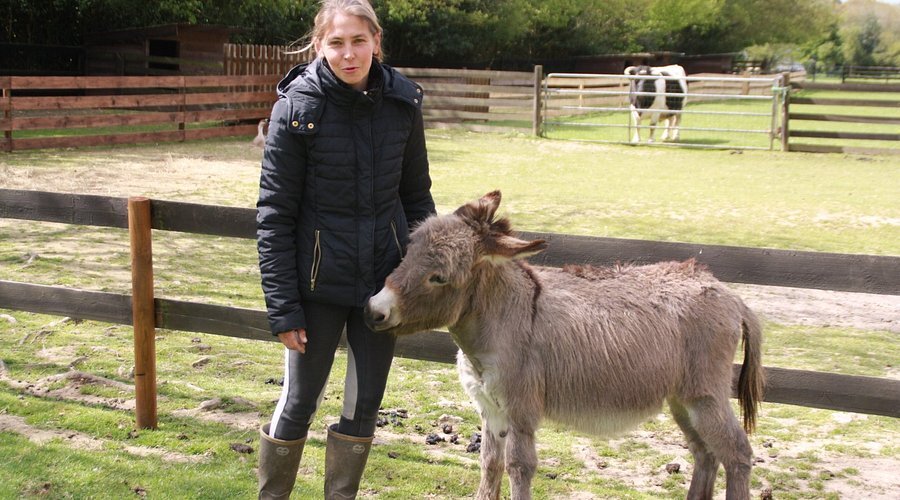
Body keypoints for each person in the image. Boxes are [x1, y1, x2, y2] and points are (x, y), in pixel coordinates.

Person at [255, 0, 435, 498]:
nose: (349, 53)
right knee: (298, 401)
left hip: (383, 288)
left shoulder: (404, 104)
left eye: (359, 41)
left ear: (377, 42)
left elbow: (417, 199)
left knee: (364, 405)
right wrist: (284, 308)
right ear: (319, 45)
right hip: (315, 291)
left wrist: (415, 282)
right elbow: (274, 215)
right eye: (336, 42)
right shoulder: (296, 110)